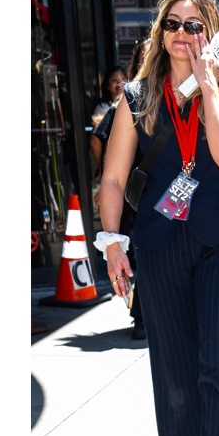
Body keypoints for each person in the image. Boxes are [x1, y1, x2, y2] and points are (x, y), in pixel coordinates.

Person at [96, 0, 219, 436]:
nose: (183, 35)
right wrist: (113, 242)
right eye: (174, 24)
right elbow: (114, 177)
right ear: (159, 33)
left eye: (195, 25)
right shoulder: (139, 96)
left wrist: (210, 86)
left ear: (212, 32)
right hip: (159, 240)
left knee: (217, 362)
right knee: (173, 364)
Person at [95, 39, 150, 339]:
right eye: (146, 54)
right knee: (139, 253)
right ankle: (140, 315)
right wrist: (105, 183)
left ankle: (143, 312)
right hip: (131, 192)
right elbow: (101, 144)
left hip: (160, 192)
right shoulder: (127, 101)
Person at [89, 67, 127, 171]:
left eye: (123, 79)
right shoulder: (103, 109)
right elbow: (94, 143)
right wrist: (103, 166)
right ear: (107, 85)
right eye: (114, 80)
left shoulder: (133, 105)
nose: (120, 83)